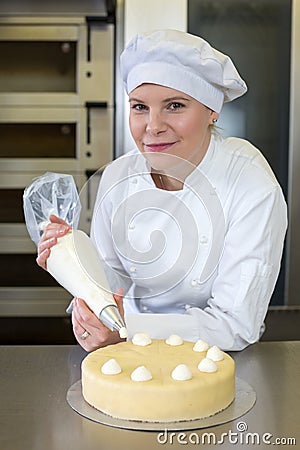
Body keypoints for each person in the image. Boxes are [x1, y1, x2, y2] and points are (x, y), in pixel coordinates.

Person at [37, 29, 287, 352]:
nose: (153, 127)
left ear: (213, 111)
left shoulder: (250, 183)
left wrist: (126, 326)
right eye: (140, 107)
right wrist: (72, 259)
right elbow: (112, 288)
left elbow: (234, 324)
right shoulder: (117, 179)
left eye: (174, 105)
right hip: (129, 355)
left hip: (220, 364)